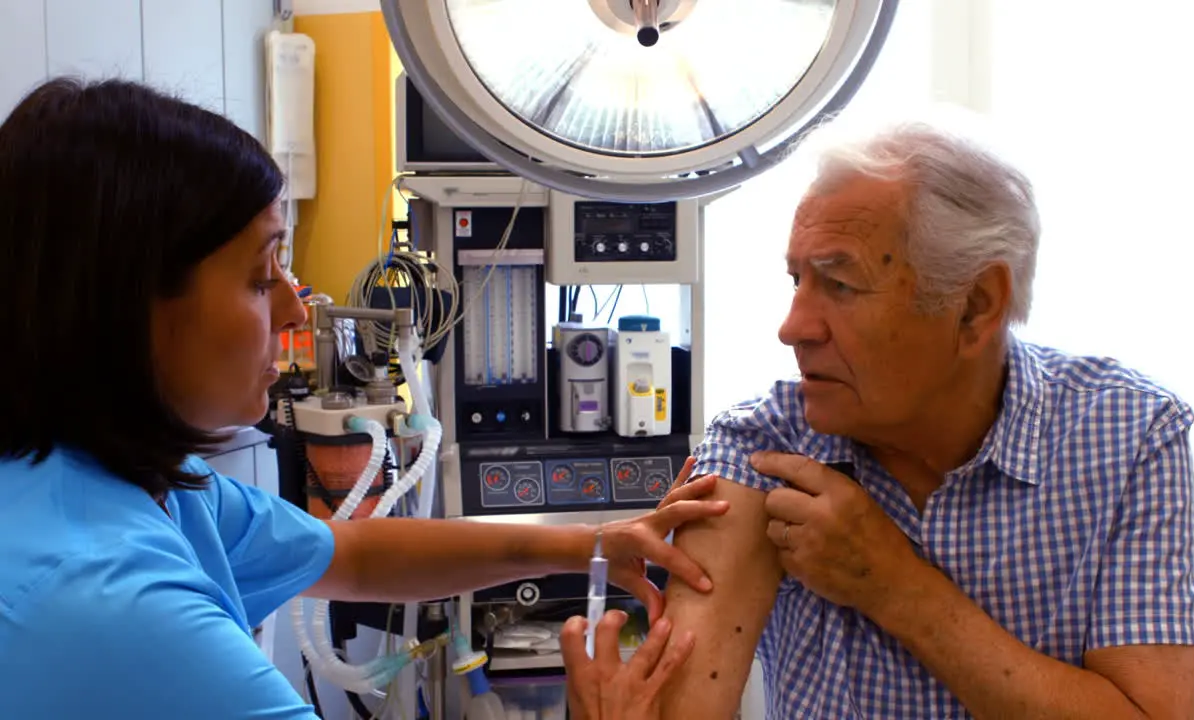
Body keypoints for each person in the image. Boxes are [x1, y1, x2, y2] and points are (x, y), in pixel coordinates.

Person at [0, 78, 711, 719]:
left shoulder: (140, 493)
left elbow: (359, 554)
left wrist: (590, 545)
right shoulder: (105, 601)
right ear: (126, 305)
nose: (295, 308)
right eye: (259, 275)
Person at [569, 120, 1194, 719]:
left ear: (975, 307)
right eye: (796, 280)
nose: (792, 327)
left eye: (840, 284)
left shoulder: (1129, 432)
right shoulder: (764, 444)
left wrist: (896, 589)